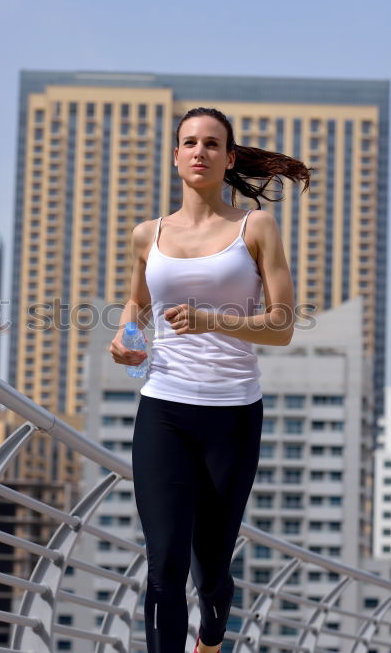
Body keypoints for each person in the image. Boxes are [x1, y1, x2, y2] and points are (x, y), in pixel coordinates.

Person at [108, 107, 310, 652]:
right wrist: (128, 335)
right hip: (164, 409)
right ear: (176, 156)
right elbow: (137, 302)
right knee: (165, 565)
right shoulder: (146, 234)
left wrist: (209, 320)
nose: (200, 151)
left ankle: (213, 637)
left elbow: (283, 326)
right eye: (190, 143)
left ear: (229, 157)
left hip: (233, 415)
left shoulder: (255, 227)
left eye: (212, 144)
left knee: (212, 573)